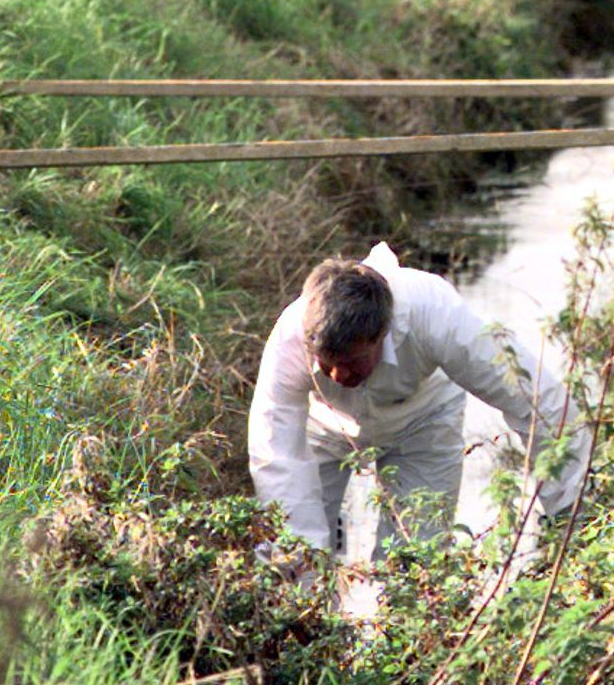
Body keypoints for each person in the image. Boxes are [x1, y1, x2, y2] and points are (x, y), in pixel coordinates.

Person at [248, 242, 589, 573]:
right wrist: (300, 566)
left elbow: (533, 397)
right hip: (324, 427)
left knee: (414, 563)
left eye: (352, 362)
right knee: (293, 559)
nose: (338, 376)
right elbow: (276, 454)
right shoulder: (290, 337)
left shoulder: (435, 313)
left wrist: (570, 513)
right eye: (326, 363)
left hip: (423, 422)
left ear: (382, 334)